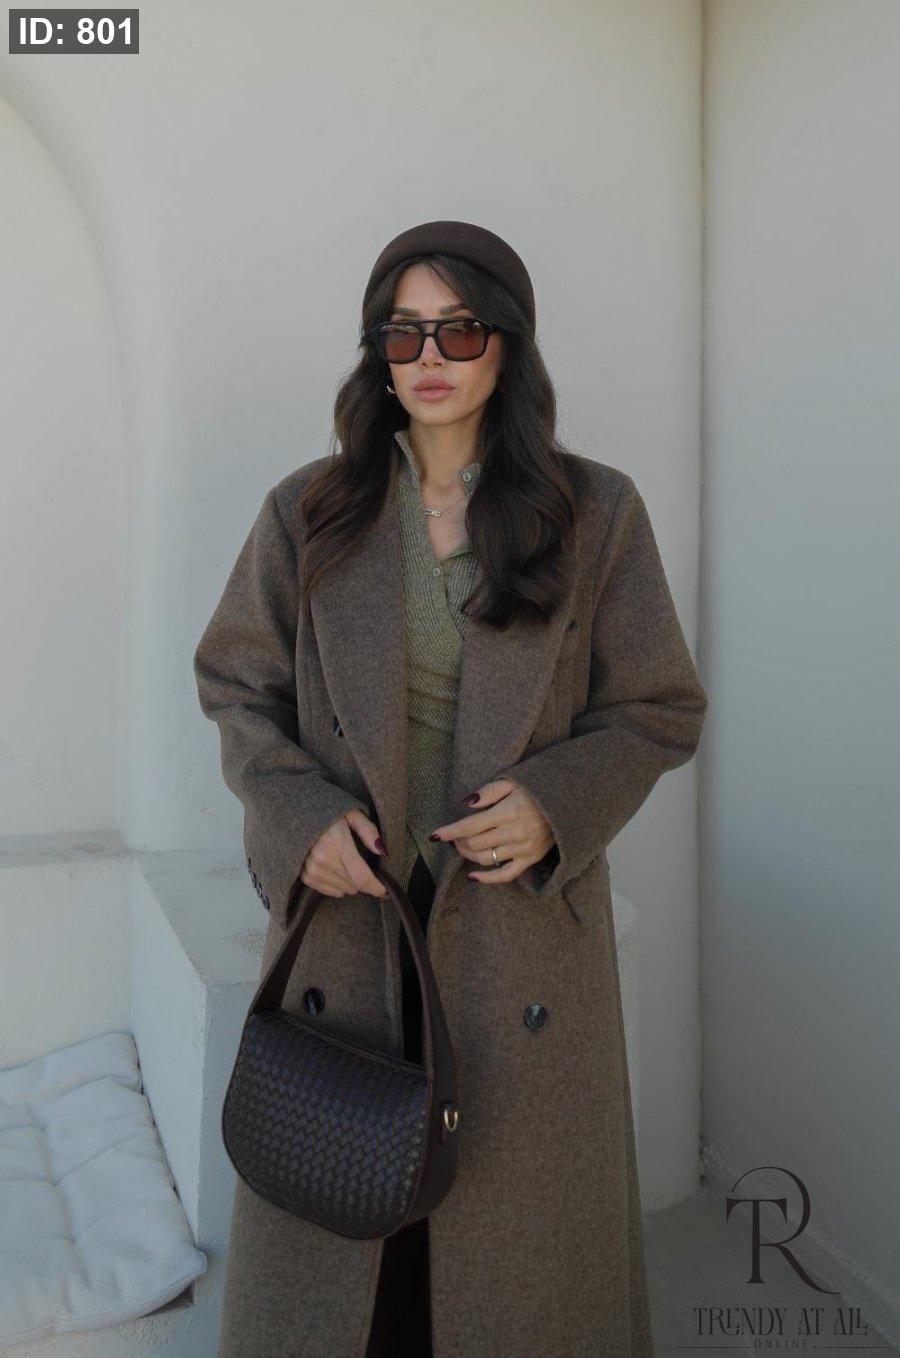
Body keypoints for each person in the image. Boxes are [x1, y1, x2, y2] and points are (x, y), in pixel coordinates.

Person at [194, 219, 708, 1357]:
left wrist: (556, 802)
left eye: (460, 329)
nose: (430, 355)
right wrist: (297, 818)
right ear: (377, 351)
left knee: (508, 1261)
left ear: (507, 345)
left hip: (517, 928)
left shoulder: (595, 514)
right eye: (404, 331)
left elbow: (659, 706)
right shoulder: (310, 512)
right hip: (356, 915)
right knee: (353, 1253)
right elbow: (235, 685)